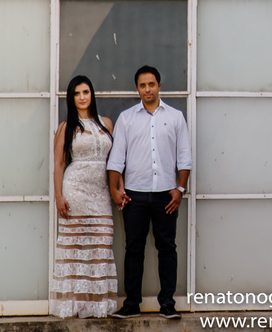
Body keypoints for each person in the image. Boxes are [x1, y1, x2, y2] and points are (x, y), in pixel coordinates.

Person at [107, 65, 192, 320]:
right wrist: (114, 190)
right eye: (142, 85)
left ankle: (167, 303)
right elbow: (116, 158)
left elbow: (184, 157)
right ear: (137, 88)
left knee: (167, 247)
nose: (147, 89)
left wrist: (180, 189)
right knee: (134, 248)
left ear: (159, 86)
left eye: (151, 84)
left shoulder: (175, 117)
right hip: (134, 195)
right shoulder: (127, 118)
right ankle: (132, 303)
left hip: (167, 195)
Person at [50, 75, 119, 318]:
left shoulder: (106, 124)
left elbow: (116, 161)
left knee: (102, 243)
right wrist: (58, 196)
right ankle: (74, 305)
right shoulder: (65, 126)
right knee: (75, 247)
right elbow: (59, 164)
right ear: (72, 98)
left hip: (101, 193)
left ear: (92, 94)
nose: (82, 97)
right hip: (75, 190)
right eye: (77, 93)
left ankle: (98, 305)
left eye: (86, 92)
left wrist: (118, 188)